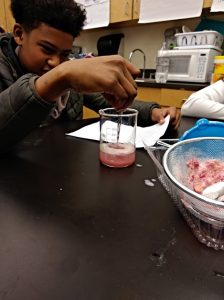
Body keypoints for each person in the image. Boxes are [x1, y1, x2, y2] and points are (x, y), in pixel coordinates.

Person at [0, 0, 180, 153]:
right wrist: (61, 76)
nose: (55, 63)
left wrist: (153, 112)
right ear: (19, 34)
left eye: (64, 54)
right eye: (46, 49)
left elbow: (105, 100)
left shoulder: (68, 72)